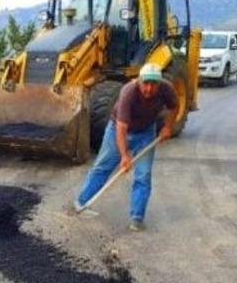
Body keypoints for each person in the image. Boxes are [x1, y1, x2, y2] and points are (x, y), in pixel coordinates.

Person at [74, 63, 180, 231]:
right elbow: (121, 128)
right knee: (103, 167)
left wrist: (168, 126)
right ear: (139, 80)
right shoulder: (128, 92)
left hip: (146, 132)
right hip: (118, 129)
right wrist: (124, 156)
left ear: (159, 83)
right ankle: (81, 202)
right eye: (146, 83)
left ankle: (137, 217)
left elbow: (175, 106)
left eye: (154, 84)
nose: (149, 88)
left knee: (143, 175)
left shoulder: (166, 89)